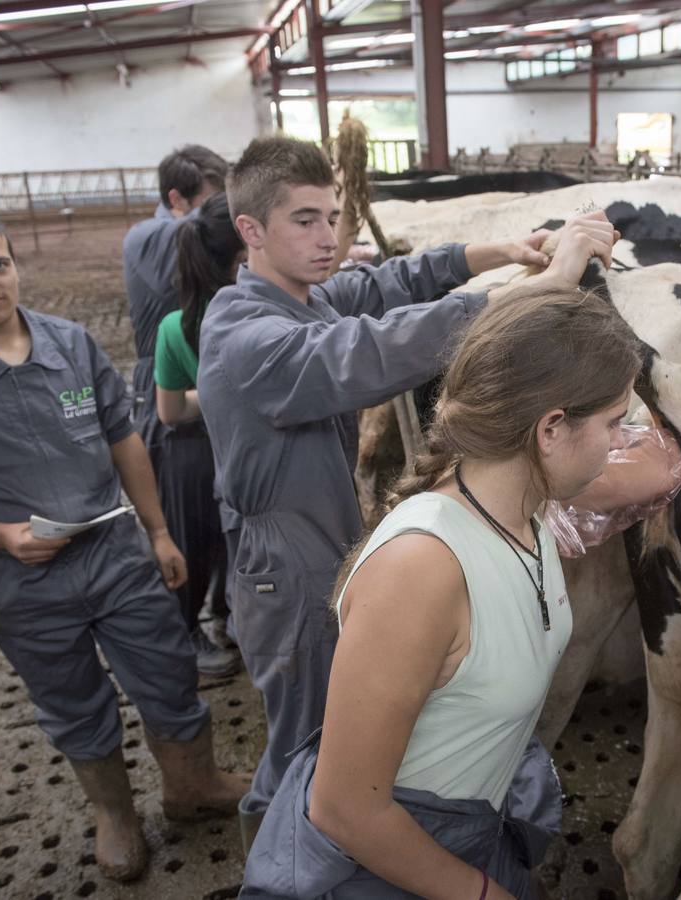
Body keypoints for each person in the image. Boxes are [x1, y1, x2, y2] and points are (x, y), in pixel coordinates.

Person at [196, 135, 619, 850]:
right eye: (304, 220)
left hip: (319, 529)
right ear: (250, 231)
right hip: (285, 567)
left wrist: (505, 252)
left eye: (332, 217)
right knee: (307, 745)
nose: (328, 237)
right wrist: (538, 293)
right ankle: (282, 866)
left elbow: (385, 286)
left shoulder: (301, 296)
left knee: (332, 725)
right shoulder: (250, 340)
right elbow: (377, 348)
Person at [0, 206, 249, 883]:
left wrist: (160, 531)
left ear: (15, 266)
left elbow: (124, 439)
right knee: (71, 697)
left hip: (114, 554)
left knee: (169, 671)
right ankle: (116, 813)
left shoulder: (71, 345)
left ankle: (192, 788)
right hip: (26, 580)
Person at [240, 285, 642, 898]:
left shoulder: (524, 503)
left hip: (473, 824)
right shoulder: (423, 569)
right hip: (388, 866)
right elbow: (345, 808)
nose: (620, 443)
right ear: (551, 428)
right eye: (615, 423)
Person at [122, 144, 237, 676]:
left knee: (222, 518)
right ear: (177, 200)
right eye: (217, 205)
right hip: (170, 388)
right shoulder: (149, 236)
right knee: (185, 521)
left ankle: (225, 609)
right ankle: (183, 631)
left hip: (204, 386)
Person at [152, 191, 244, 675]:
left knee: (196, 544)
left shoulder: (175, 325)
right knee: (236, 540)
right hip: (239, 450)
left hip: (192, 451)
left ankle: (194, 629)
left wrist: (206, 395)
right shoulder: (259, 314)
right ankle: (228, 620)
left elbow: (168, 410)